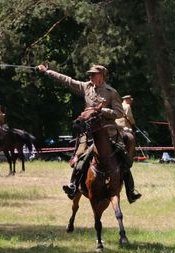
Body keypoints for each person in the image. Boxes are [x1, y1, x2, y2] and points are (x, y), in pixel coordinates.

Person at [36, 63, 141, 203]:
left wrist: (101, 111)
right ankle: (73, 186)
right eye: (90, 74)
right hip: (89, 132)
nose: (90, 76)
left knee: (124, 160)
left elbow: (119, 113)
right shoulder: (86, 87)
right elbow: (68, 81)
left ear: (101, 76)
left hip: (108, 132)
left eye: (93, 74)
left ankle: (130, 191)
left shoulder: (111, 92)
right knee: (80, 158)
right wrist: (48, 72)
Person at [115, 95, 137, 159]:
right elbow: (129, 116)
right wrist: (133, 123)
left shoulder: (118, 106)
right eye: (130, 100)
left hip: (116, 124)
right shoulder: (127, 106)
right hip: (124, 125)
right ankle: (131, 152)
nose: (131, 102)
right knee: (132, 136)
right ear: (127, 99)